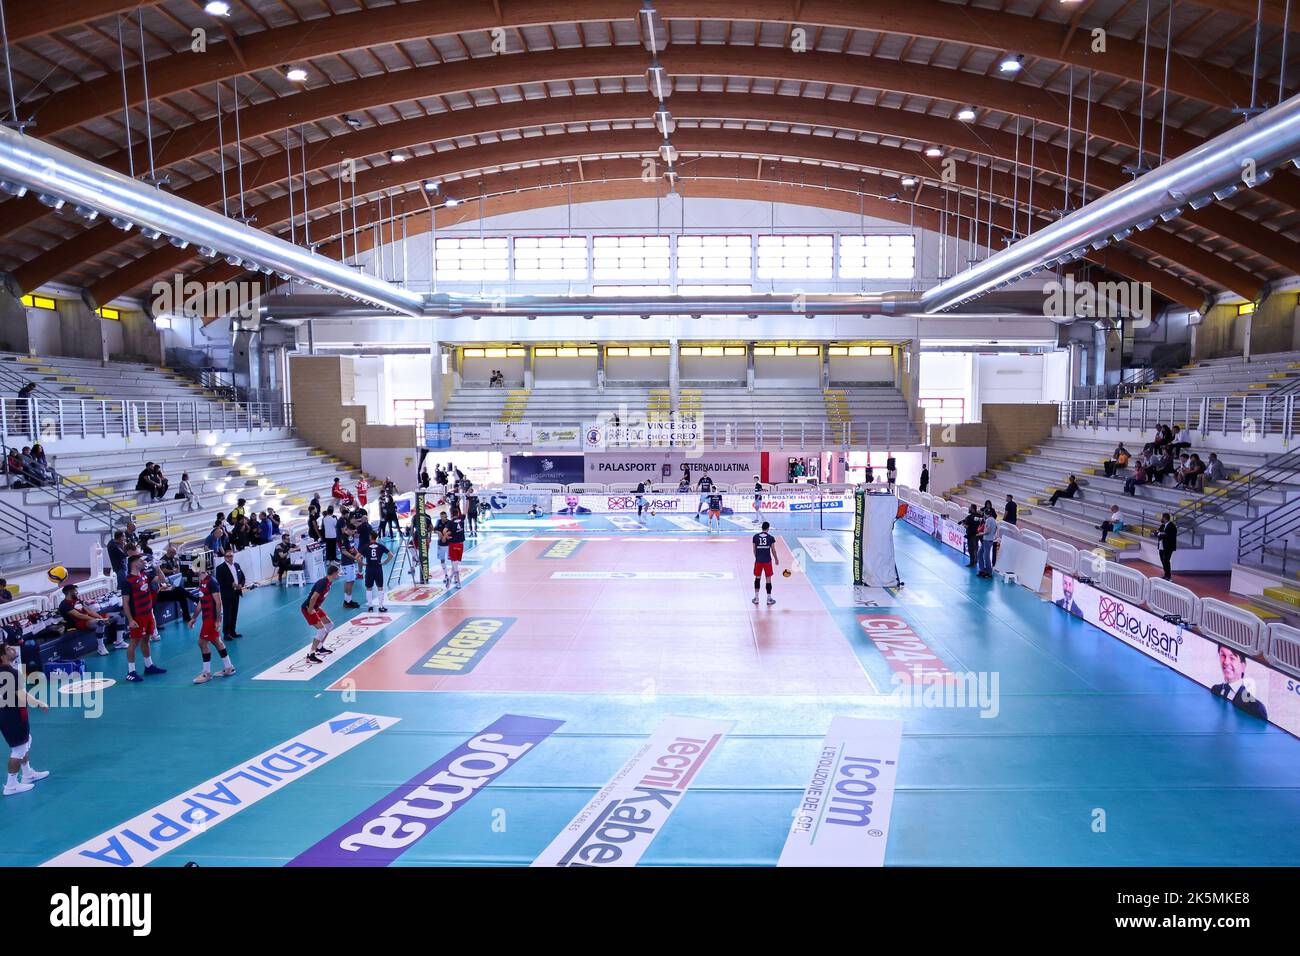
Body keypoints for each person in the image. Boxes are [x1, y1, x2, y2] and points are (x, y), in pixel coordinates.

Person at [0, 643, 49, 797]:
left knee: (25, 740)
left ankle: (27, 774)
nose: (12, 649)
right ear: (2, 656)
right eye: (8, 649)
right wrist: (39, 703)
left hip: (9, 713)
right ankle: (11, 785)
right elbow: (21, 695)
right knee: (19, 749)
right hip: (13, 715)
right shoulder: (11, 672)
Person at [122, 555, 167, 682]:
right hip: (137, 616)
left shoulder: (145, 575)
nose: (143, 562)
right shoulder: (127, 581)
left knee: (146, 639)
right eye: (141, 561)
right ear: (134, 563)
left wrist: (157, 568)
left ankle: (149, 665)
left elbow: (163, 580)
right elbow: (125, 603)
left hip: (148, 614)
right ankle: (131, 672)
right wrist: (130, 619)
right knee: (134, 642)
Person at [190, 571, 235, 684]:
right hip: (206, 618)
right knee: (216, 641)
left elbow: (218, 602)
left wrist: (218, 619)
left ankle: (206, 673)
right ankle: (229, 667)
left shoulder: (212, 581)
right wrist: (194, 617)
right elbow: (201, 602)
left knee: (202, 643)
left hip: (211, 618)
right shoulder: (202, 582)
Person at [59, 583, 119, 657]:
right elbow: (79, 615)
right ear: (69, 592)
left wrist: (101, 617)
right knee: (100, 622)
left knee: (119, 616)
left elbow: (89, 611)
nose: (76, 592)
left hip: (89, 618)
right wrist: (98, 619)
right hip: (78, 623)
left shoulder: (78, 600)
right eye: (74, 590)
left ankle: (119, 642)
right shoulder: (64, 605)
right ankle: (101, 647)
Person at [1211, 645, 1268, 720]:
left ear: (1243, 666)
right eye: (1223, 655)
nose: (1226, 662)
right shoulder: (1215, 689)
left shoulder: (1256, 708)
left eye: (1232, 658)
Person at [301, 566, 340, 666]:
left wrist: (317, 607)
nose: (339, 574)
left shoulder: (329, 582)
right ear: (334, 573)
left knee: (329, 625)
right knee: (321, 630)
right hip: (308, 608)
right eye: (338, 573)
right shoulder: (323, 583)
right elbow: (314, 597)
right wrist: (310, 609)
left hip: (316, 607)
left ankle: (320, 648)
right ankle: (310, 655)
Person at [214, 550, 247, 641]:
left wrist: (241, 584)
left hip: (236, 592)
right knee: (227, 614)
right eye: (228, 556)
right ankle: (226, 633)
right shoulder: (220, 568)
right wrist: (230, 584)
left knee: (234, 613)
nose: (230, 558)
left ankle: (233, 631)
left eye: (231, 556)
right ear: (225, 557)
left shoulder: (237, 565)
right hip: (227, 594)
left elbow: (242, 577)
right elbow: (219, 581)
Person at [751, 521, 781, 606]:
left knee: (757, 578)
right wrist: (776, 559)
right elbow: (773, 550)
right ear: (768, 528)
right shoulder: (770, 538)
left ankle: (756, 598)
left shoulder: (755, 537)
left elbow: (754, 550)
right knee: (768, 579)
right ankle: (769, 599)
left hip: (758, 561)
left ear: (762, 528)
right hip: (767, 561)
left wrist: (757, 557)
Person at [362, 536, 393, 613]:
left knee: (369, 588)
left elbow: (357, 557)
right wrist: (385, 562)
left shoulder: (365, 546)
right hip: (378, 568)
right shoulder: (381, 546)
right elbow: (391, 555)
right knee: (380, 587)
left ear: (370, 537)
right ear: (376, 538)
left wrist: (362, 564)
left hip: (369, 568)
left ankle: (370, 607)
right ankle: (381, 606)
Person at [337, 527, 361, 609]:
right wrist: (354, 557)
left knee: (351, 581)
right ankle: (348, 602)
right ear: (348, 530)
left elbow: (353, 547)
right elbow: (343, 551)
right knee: (349, 582)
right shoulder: (342, 538)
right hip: (346, 563)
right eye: (353, 531)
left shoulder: (350, 537)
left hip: (350, 562)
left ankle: (347, 600)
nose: (354, 533)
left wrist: (358, 554)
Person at [446, 508, 467, 589]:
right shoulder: (461, 518)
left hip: (453, 544)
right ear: (458, 513)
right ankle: (458, 582)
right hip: (460, 545)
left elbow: (445, 531)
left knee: (455, 565)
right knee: (456, 565)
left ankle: (450, 578)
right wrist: (468, 498)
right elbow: (465, 510)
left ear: (451, 514)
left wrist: (446, 536)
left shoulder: (450, 522)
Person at [434, 508, 453, 586]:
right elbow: (434, 530)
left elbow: (451, 531)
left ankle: (453, 575)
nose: (445, 518)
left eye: (446, 516)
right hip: (440, 545)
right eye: (443, 517)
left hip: (449, 544)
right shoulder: (438, 521)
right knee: (442, 560)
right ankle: (446, 575)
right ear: (441, 517)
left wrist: (445, 535)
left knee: (452, 560)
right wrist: (438, 532)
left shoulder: (449, 522)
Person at [977, 508, 998, 578]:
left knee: (986, 556)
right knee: (980, 553)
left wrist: (981, 534)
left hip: (987, 540)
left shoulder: (989, 520)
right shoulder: (994, 520)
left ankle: (989, 572)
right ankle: (982, 569)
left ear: (986, 514)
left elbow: (987, 531)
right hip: (989, 540)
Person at [1155, 514, 1177, 580]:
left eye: (1162, 517)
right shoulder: (1163, 525)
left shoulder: (1171, 526)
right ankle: (1165, 574)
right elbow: (1156, 532)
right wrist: (1159, 533)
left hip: (1168, 546)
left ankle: (1168, 576)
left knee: (1166, 560)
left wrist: (1160, 534)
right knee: (1162, 560)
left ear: (1165, 518)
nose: (1161, 519)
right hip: (1162, 546)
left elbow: (1166, 535)